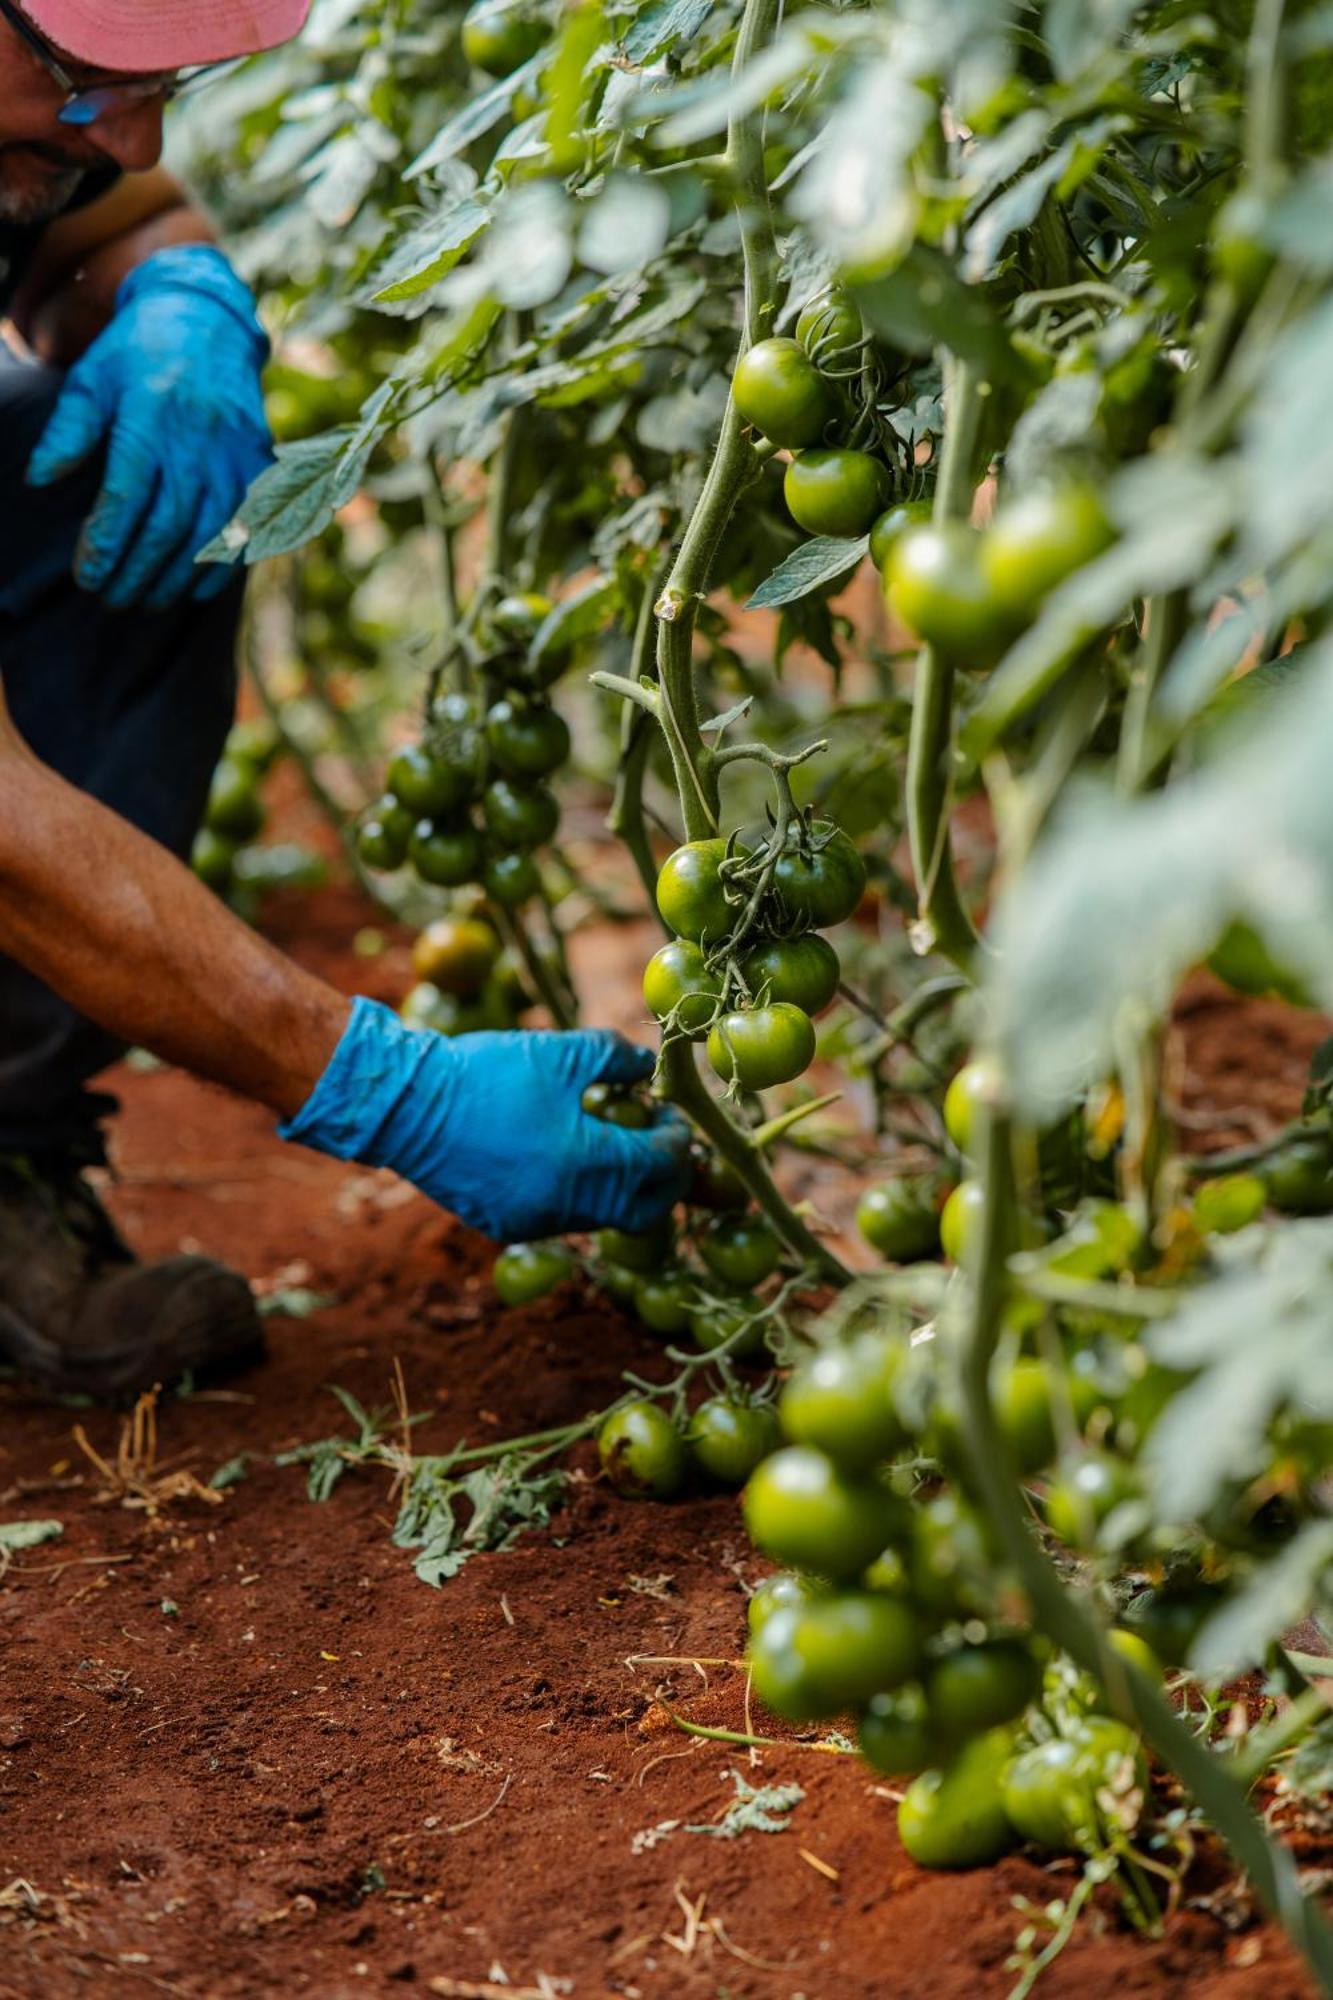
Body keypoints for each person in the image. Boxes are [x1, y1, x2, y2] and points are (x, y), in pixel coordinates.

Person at [0, 0, 690, 1401]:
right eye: (81, 77)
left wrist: (178, 296)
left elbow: (135, 208)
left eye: (164, 80)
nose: (129, 129)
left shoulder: (62, 129)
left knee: (116, 471)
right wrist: (385, 1084)